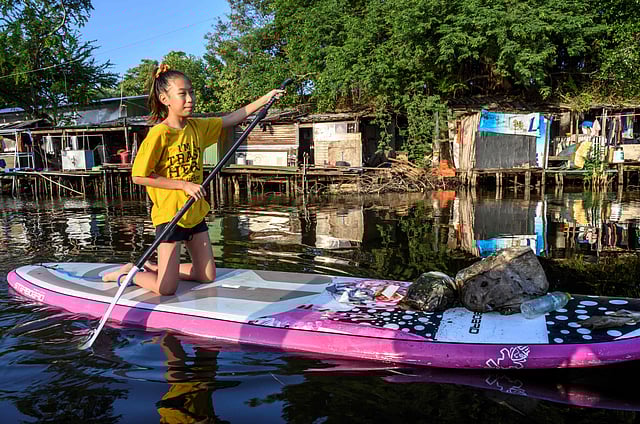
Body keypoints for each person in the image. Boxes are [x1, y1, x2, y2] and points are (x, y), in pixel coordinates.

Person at [103, 64, 284, 295]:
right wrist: (183, 185)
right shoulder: (160, 133)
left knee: (206, 276)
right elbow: (139, 176)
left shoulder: (197, 127)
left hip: (194, 212)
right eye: (182, 94)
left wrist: (265, 99)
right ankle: (129, 273)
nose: (190, 99)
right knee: (166, 289)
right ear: (165, 99)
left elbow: (231, 119)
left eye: (191, 92)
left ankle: (154, 267)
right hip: (171, 215)